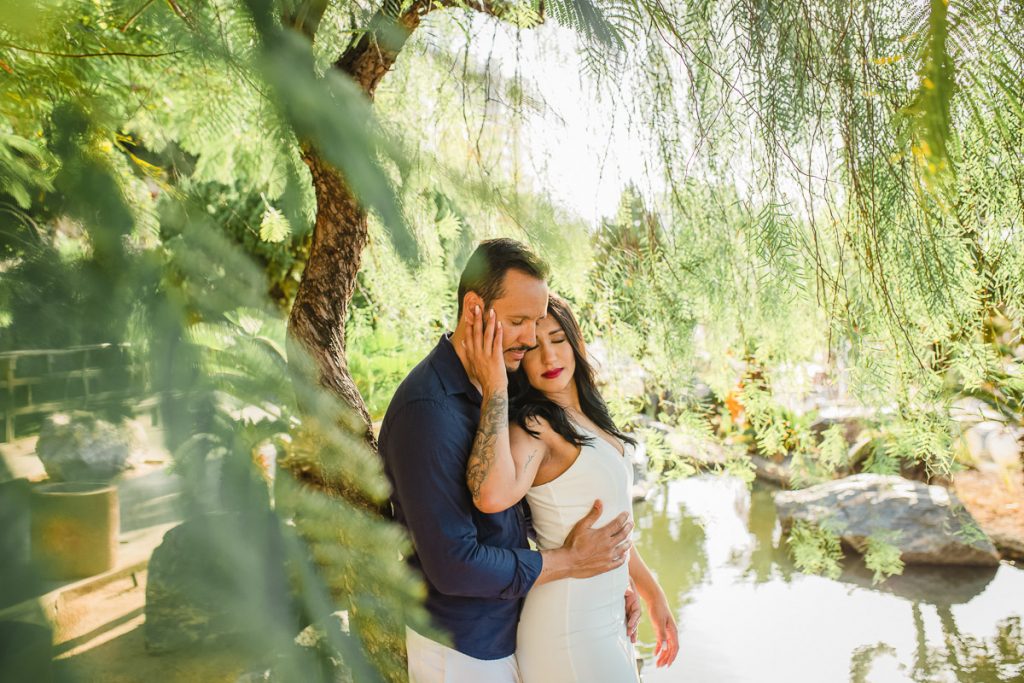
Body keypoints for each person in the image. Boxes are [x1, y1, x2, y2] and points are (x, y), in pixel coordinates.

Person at [378, 239, 638, 682]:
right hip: (463, 648)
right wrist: (569, 562)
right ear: (474, 310)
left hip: (511, 632)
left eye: (537, 322)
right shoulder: (429, 410)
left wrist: (611, 580)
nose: (533, 339)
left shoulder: (496, 383)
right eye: (519, 322)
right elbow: (454, 564)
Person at [462, 293, 680, 682]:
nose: (549, 357)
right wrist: (495, 386)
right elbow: (490, 494)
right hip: (568, 625)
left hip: (607, 619)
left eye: (558, 339)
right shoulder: (535, 426)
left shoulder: (589, 417)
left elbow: (612, 525)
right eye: (533, 347)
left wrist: (652, 592)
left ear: (576, 343)